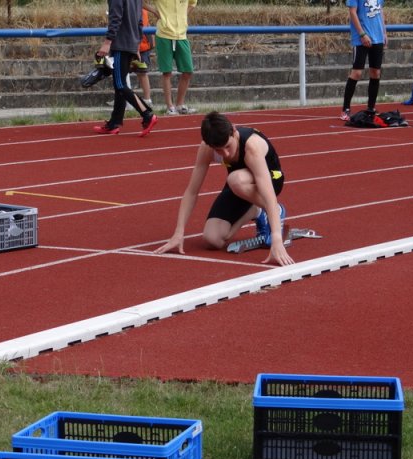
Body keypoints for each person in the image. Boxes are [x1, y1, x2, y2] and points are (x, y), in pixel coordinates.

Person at [154, 111, 294, 267]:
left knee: (235, 179)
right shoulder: (207, 149)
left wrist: (277, 238)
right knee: (212, 239)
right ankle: (256, 211)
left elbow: (267, 193)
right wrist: (178, 233)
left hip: (271, 179)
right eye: (219, 150)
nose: (226, 153)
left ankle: (275, 210)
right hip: (239, 185)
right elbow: (192, 191)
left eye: (228, 146)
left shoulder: (251, 147)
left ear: (234, 131)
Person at [93, 0, 158, 137]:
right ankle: (114, 123)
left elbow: (115, 17)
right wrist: (137, 44)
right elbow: (140, 21)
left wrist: (107, 42)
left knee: (120, 84)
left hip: (120, 44)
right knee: (120, 84)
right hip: (131, 43)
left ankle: (147, 114)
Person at [144, 0, 197, 115]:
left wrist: (183, 17)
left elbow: (193, 4)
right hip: (164, 34)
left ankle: (180, 104)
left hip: (182, 35)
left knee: (188, 71)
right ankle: (170, 106)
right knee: (167, 72)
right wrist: (155, 11)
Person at [339, 0, 387, 121]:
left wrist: (384, 32)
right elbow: (352, 12)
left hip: (378, 37)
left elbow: (380, 10)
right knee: (357, 72)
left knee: (376, 72)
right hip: (360, 39)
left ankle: (371, 108)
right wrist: (362, 34)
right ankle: (346, 109)